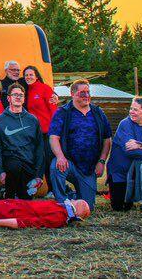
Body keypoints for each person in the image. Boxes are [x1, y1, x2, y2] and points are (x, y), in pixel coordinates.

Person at [48, 79, 112, 210]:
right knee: (55, 166)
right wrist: (60, 156)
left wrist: (101, 161)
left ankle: (73, 196)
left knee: (88, 207)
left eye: (88, 92)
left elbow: (107, 139)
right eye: (82, 93)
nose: (86, 96)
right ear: (73, 94)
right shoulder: (63, 113)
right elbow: (53, 137)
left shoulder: (98, 113)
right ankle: (62, 203)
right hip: (69, 163)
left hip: (89, 168)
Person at [0, 83, 44, 200]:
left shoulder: (32, 120)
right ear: (9, 98)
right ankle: (8, 195)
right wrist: (0, 171)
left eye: (21, 95)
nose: (18, 97)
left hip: (28, 165)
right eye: (15, 95)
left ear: (24, 99)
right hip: (10, 164)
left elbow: (39, 148)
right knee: (14, 166)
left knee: (25, 201)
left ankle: (10, 194)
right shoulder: (0, 120)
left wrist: (38, 175)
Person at [23, 65, 58, 192]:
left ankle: (53, 190)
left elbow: (54, 110)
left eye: (31, 75)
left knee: (49, 160)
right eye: (26, 75)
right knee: (38, 159)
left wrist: (54, 130)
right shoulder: (27, 90)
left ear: (36, 76)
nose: (28, 77)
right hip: (35, 132)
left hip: (48, 131)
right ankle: (34, 188)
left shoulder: (44, 88)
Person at [0, 198, 90, 229]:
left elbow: (26, 222)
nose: (72, 199)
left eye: (76, 201)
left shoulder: (59, 217)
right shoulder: (57, 207)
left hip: (8, 211)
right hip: (10, 205)